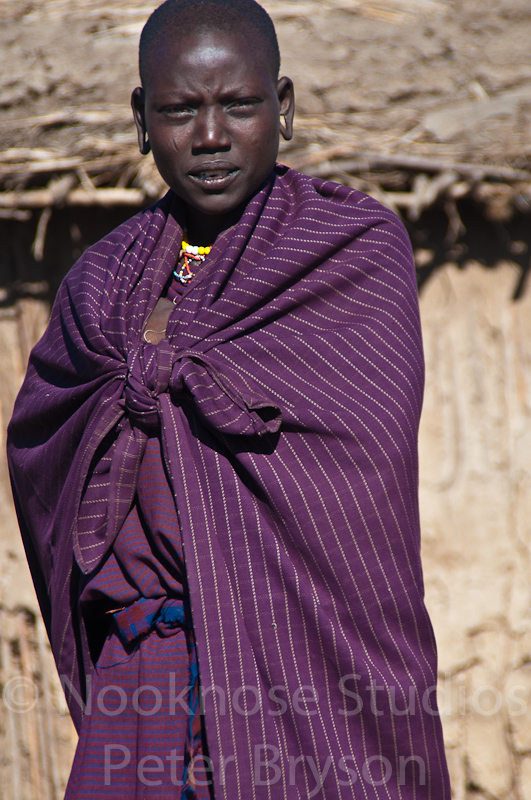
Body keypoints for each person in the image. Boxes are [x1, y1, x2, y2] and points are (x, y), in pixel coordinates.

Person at [7, 0, 451, 798]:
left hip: (312, 666)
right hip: (142, 689)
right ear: (142, 119)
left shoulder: (347, 251)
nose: (210, 136)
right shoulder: (100, 284)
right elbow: (45, 452)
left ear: (281, 108)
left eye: (238, 105)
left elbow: (357, 471)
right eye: (179, 110)